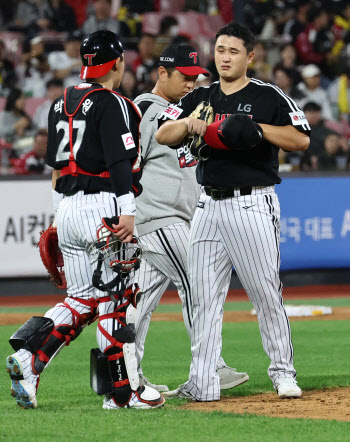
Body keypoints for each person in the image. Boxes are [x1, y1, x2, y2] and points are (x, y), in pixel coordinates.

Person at [6, 29, 164, 410]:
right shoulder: (115, 103)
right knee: (117, 299)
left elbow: (58, 169)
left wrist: (60, 217)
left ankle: (29, 360)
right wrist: (127, 211)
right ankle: (123, 395)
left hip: (69, 206)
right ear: (119, 63)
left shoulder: (59, 103)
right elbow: (120, 164)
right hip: (105, 207)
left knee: (81, 298)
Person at [156, 22, 310, 401]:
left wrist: (256, 128)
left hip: (251, 201)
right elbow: (163, 133)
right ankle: (203, 382)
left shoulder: (267, 96)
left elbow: (301, 139)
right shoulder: (202, 95)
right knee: (203, 298)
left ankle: (283, 372)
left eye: (233, 51)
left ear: (250, 57)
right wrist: (189, 122)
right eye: (220, 50)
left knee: (264, 293)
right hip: (207, 204)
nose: (225, 57)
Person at [133, 43, 249, 392]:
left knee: (140, 301)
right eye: (184, 77)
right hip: (157, 217)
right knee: (200, 284)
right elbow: (126, 166)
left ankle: (126, 373)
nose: (190, 84)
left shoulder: (188, 112)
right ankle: (211, 367)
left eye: (196, 78)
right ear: (162, 73)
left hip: (178, 219)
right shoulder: (143, 110)